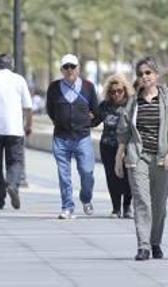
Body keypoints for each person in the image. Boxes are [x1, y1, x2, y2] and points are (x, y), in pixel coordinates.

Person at [115, 58, 168, 261]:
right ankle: (143, 246)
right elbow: (124, 131)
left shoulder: (167, 98)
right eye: (141, 74)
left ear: (156, 75)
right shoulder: (134, 102)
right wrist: (119, 157)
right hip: (138, 157)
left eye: (148, 73)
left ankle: (155, 242)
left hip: (162, 157)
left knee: (159, 205)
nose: (144, 77)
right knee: (142, 201)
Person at [45, 53, 99, 219]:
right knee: (64, 175)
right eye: (66, 67)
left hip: (82, 137)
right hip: (61, 138)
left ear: (78, 69)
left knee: (87, 172)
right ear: (61, 69)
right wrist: (61, 121)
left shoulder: (88, 87)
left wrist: (85, 123)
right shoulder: (53, 88)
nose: (69, 70)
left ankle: (86, 198)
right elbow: (50, 110)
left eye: (72, 67)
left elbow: (96, 111)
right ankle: (67, 206)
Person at [0, 54, 33, 210]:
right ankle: (12, 185)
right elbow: (28, 107)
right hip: (14, 129)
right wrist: (28, 125)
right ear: (12, 65)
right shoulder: (19, 80)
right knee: (15, 162)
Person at [97, 74, 133, 218]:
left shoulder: (131, 105)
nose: (116, 94)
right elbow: (94, 120)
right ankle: (116, 208)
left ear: (125, 90)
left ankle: (127, 207)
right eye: (112, 92)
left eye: (119, 91)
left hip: (127, 146)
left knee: (128, 177)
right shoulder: (105, 105)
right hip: (108, 145)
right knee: (112, 177)